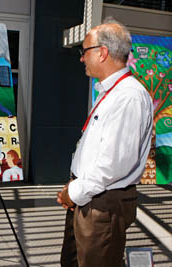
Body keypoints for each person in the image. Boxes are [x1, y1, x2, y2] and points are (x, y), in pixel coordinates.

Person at [57, 18, 153, 267]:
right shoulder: (112, 92)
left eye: (84, 51)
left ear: (102, 53)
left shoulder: (128, 97)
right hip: (90, 196)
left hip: (102, 203)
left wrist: (74, 192)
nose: (81, 58)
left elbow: (113, 165)